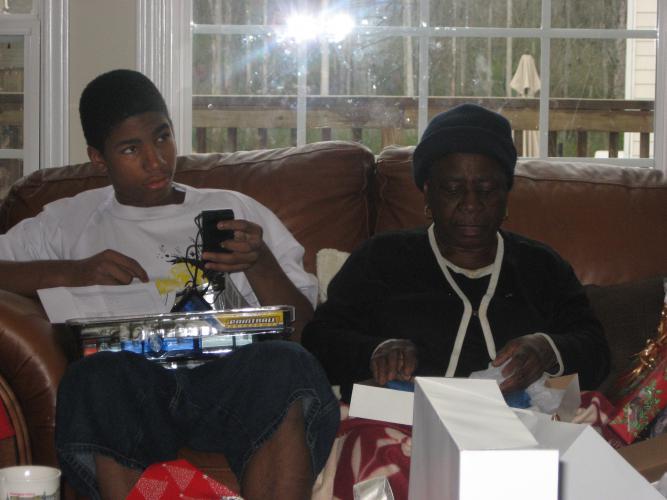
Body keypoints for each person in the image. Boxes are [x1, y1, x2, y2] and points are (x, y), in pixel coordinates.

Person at [0, 69, 339, 500]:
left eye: (162, 137)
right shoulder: (68, 221)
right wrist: (71, 272)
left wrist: (262, 264)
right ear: (98, 158)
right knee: (93, 378)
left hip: (231, 385)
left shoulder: (232, 207)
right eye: (131, 149)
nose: (156, 160)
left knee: (287, 363)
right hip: (134, 390)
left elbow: (306, 332)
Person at [301, 103, 610, 498]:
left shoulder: (541, 266)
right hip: (406, 426)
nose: (470, 203)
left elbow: (596, 349)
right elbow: (319, 339)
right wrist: (374, 350)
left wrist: (547, 348)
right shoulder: (382, 259)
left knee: (591, 420)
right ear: (427, 193)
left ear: (506, 195)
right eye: (452, 189)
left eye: (487, 189)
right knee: (373, 448)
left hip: (522, 423)